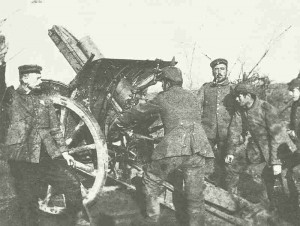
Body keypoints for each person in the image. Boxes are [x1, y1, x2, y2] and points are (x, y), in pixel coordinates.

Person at [118, 66, 214, 226]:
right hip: (199, 148)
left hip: (176, 147)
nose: (162, 85)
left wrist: (120, 121)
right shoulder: (192, 97)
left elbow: (139, 112)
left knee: (151, 178)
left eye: (163, 82)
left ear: (167, 83)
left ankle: (152, 220)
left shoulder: (163, 97)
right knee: (195, 195)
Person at [2, 64, 82, 226]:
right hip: (22, 158)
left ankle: (74, 221)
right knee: (28, 200)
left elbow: (54, 129)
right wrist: (1, 62)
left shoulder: (44, 99)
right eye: (36, 77)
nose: (40, 79)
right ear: (24, 78)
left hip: (47, 156)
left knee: (72, 184)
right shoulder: (10, 97)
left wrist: (65, 153)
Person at [227, 82, 296, 208]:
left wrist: (276, 162)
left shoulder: (265, 108)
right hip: (260, 151)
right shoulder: (240, 110)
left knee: (284, 181)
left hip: (281, 150)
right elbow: (234, 130)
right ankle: (236, 202)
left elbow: (277, 135)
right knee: (240, 169)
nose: (237, 99)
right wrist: (230, 152)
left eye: (239, 96)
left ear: (248, 95)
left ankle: (292, 212)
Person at [197, 58, 237, 191]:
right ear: (212, 71)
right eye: (216, 69)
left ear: (226, 70)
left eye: (222, 69)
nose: (219, 72)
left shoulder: (233, 89)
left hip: (226, 135)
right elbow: (196, 107)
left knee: (228, 167)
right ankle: (207, 195)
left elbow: (239, 114)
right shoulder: (206, 88)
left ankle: (231, 197)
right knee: (205, 164)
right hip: (207, 133)